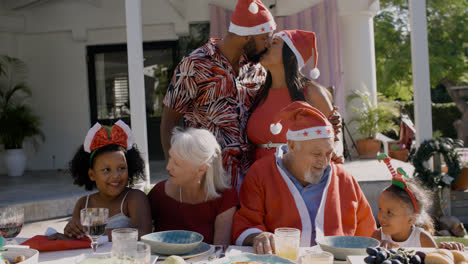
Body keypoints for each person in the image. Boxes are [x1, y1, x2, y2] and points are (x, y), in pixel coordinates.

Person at [232, 101, 376, 254]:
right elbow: (246, 222)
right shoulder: (261, 172)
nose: (324, 161)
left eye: (329, 153)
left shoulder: (344, 179)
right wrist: (258, 236)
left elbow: (368, 233)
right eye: (316, 154)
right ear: (292, 146)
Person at [161, 0, 276, 189]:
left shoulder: (257, 68)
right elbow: (169, 121)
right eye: (264, 38)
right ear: (246, 36)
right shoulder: (195, 64)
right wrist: (173, 170)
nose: (267, 45)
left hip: (251, 179)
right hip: (207, 179)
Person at [246, 30, 342, 161]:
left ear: (291, 56)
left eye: (274, 42)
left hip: (296, 178)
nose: (267, 45)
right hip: (257, 177)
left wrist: (335, 153)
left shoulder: (311, 93)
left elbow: (335, 140)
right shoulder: (257, 92)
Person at [63, 120, 152, 240]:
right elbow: (79, 237)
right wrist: (71, 231)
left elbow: (143, 233)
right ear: (91, 174)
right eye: (106, 170)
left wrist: (95, 232)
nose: (116, 175)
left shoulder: (134, 199)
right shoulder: (84, 204)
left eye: (121, 168)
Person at [148, 128, 238, 245]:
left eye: (177, 163)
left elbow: (220, 250)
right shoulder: (159, 193)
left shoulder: (226, 197)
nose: (168, 167)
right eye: (170, 157)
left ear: (201, 169)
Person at [373, 154, 464, 250]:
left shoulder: (423, 239)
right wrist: (378, 248)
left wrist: (447, 248)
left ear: (411, 219)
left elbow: (435, 258)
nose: (381, 216)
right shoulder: (377, 237)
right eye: (380, 209)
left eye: (389, 212)